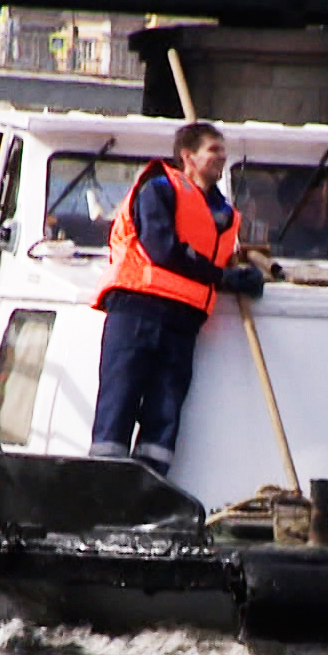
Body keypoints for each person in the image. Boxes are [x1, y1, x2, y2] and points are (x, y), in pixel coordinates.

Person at [89, 122, 266, 476]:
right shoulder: (158, 189)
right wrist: (225, 279)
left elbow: (210, 259)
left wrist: (240, 276)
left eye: (223, 150)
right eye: (213, 150)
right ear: (188, 157)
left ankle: (148, 497)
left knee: (164, 416)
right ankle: (102, 491)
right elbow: (163, 249)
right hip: (138, 309)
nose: (222, 157)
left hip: (182, 323)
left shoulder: (224, 213)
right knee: (118, 405)